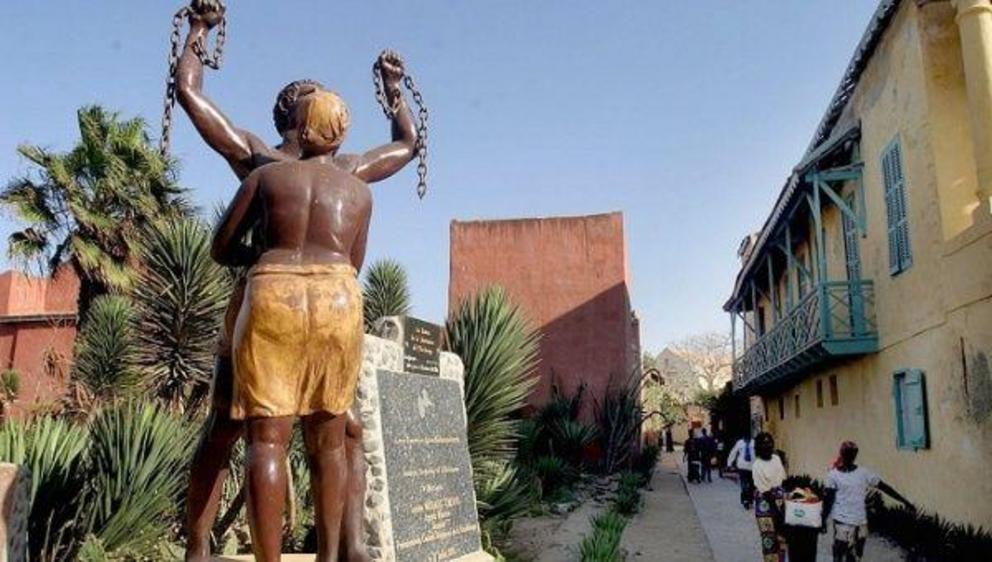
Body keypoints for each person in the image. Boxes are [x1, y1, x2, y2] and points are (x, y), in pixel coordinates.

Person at [175, 2, 417, 561]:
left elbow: (191, 95)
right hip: (321, 303)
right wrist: (395, 91)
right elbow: (406, 146)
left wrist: (198, 31)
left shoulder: (268, 166)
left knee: (286, 432)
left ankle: (343, 546)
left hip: (268, 301)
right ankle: (201, 544)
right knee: (257, 430)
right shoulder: (324, 170)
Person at [822, 441, 914, 562]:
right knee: (856, 555)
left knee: (840, 553)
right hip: (860, 522)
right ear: (855, 456)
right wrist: (904, 501)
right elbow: (884, 487)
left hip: (842, 523)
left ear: (841, 454)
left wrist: (822, 519)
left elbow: (829, 500)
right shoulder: (863, 473)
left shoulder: (833, 475)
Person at [752, 432, 788, 562]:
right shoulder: (757, 465)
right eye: (764, 443)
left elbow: (782, 479)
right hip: (765, 505)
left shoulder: (777, 459)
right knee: (769, 538)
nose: (767, 445)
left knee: (782, 537)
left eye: (769, 442)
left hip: (779, 499)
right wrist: (775, 511)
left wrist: (784, 505)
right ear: (758, 446)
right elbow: (764, 490)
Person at [726, 433, 756, 509]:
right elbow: (733, 452)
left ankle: (750, 499)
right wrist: (729, 463)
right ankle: (745, 500)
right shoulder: (740, 443)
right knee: (744, 484)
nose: (747, 438)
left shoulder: (754, 442)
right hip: (742, 466)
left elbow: (758, 453)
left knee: (752, 485)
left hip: (752, 467)